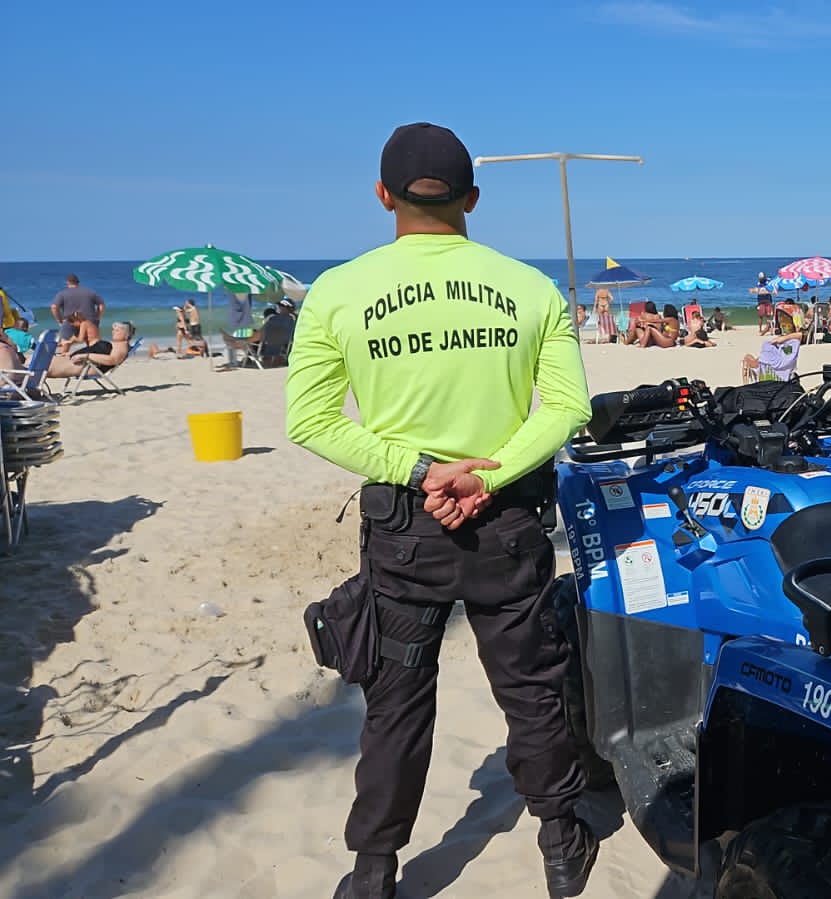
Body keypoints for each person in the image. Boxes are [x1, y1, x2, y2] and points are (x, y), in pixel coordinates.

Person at [283, 122, 598, 899]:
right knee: (532, 683)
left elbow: (311, 420)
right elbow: (568, 408)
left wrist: (419, 469)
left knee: (395, 700)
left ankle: (375, 867)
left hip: (407, 523)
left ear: (383, 196)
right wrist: (487, 477)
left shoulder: (339, 290)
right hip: (507, 515)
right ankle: (560, 842)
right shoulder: (528, 287)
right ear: (473, 200)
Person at [48, 321, 135, 378]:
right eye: (113, 330)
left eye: (117, 331)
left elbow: (113, 360)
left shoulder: (122, 346)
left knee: (43, 368)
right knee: (42, 363)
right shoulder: (116, 344)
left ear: (127, 335)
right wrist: (73, 353)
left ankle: (35, 393)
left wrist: (86, 355)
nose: (113, 332)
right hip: (78, 360)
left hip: (85, 365)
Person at [50, 274, 105, 350]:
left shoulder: (62, 294)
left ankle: (64, 355)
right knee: (92, 344)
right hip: (89, 320)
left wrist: (59, 320)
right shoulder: (90, 292)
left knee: (65, 343)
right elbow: (101, 305)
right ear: (78, 282)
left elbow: (54, 307)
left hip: (70, 321)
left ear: (67, 282)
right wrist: (97, 318)